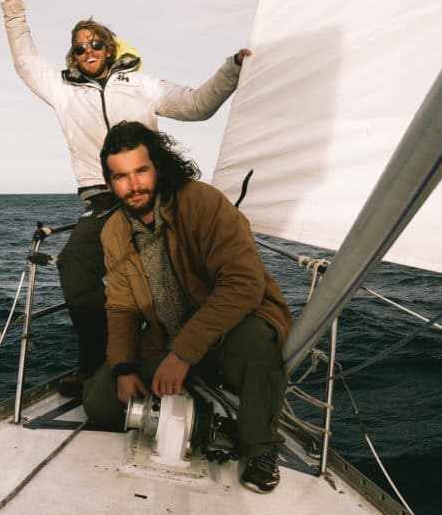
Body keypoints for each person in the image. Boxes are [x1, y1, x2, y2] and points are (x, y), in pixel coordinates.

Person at [1, 0, 251, 388]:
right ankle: (99, 366)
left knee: (185, 273)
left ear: (110, 47)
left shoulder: (142, 85)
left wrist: (232, 70)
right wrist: (14, 10)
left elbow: (197, 106)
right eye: (79, 47)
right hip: (102, 202)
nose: (88, 51)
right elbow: (27, 63)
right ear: (73, 56)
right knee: (74, 268)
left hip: (156, 196)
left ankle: (211, 357)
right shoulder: (62, 91)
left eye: (95, 43)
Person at [83, 121, 293, 493]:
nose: (133, 185)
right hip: (169, 338)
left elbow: (244, 284)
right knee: (100, 403)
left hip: (230, 330)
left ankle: (260, 447)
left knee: (258, 341)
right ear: (109, 182)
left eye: (141, 171)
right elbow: (122, 309)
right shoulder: (113, 231)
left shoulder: (202, 203)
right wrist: (124, 367)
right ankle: (200, 408)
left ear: (158, 168)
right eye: (120, 176)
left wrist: (182, 353)